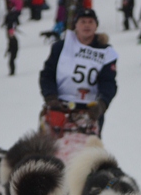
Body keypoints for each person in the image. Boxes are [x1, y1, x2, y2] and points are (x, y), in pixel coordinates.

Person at [39, 8, 119, 136]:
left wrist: (102, 104)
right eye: (83, 22)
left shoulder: (106, 52)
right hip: (59, 107)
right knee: (51, 146)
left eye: (90, 22)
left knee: (87, 148)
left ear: (96, 26)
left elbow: (108, 81)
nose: (87, 25)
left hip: (90, 110)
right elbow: (47, 75)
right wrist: (50, 97)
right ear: (75, 25)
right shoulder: (61, 47)